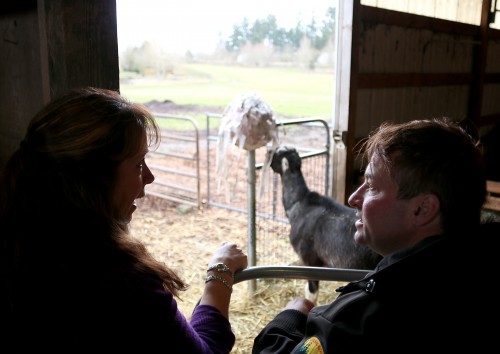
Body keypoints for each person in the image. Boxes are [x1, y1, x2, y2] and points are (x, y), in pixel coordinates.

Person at [0, 87, 247, 353]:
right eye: (139, 163)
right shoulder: (118, 281)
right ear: (95, 179)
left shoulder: (19, 247)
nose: (150, 177)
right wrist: (219, 274)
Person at [252, 117, 500, 353]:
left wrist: (287, 320)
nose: (352, 199)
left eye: (370, 185)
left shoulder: (356, 325)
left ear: (422, 209)